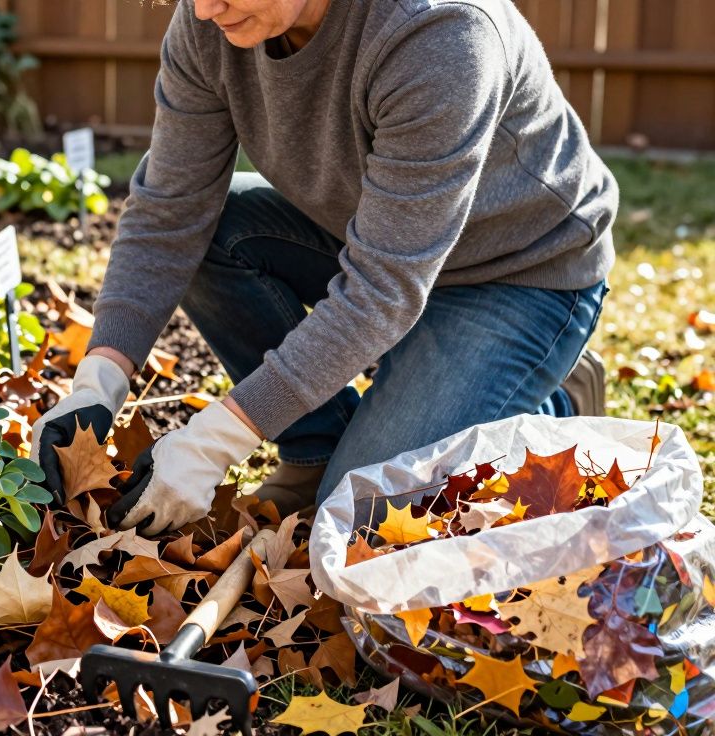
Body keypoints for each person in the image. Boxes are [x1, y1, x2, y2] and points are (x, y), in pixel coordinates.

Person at [31, 0, 616, 535]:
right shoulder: (209, 24)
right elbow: (169, 212)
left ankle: (547, 409)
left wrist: (216, 441)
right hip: (378, 239)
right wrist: (98, 380)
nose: (206, 9)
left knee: (359, 515)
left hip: (519, 273)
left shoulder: (440, 33)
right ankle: (316, 448)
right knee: (216, 232)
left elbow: (382, 290)